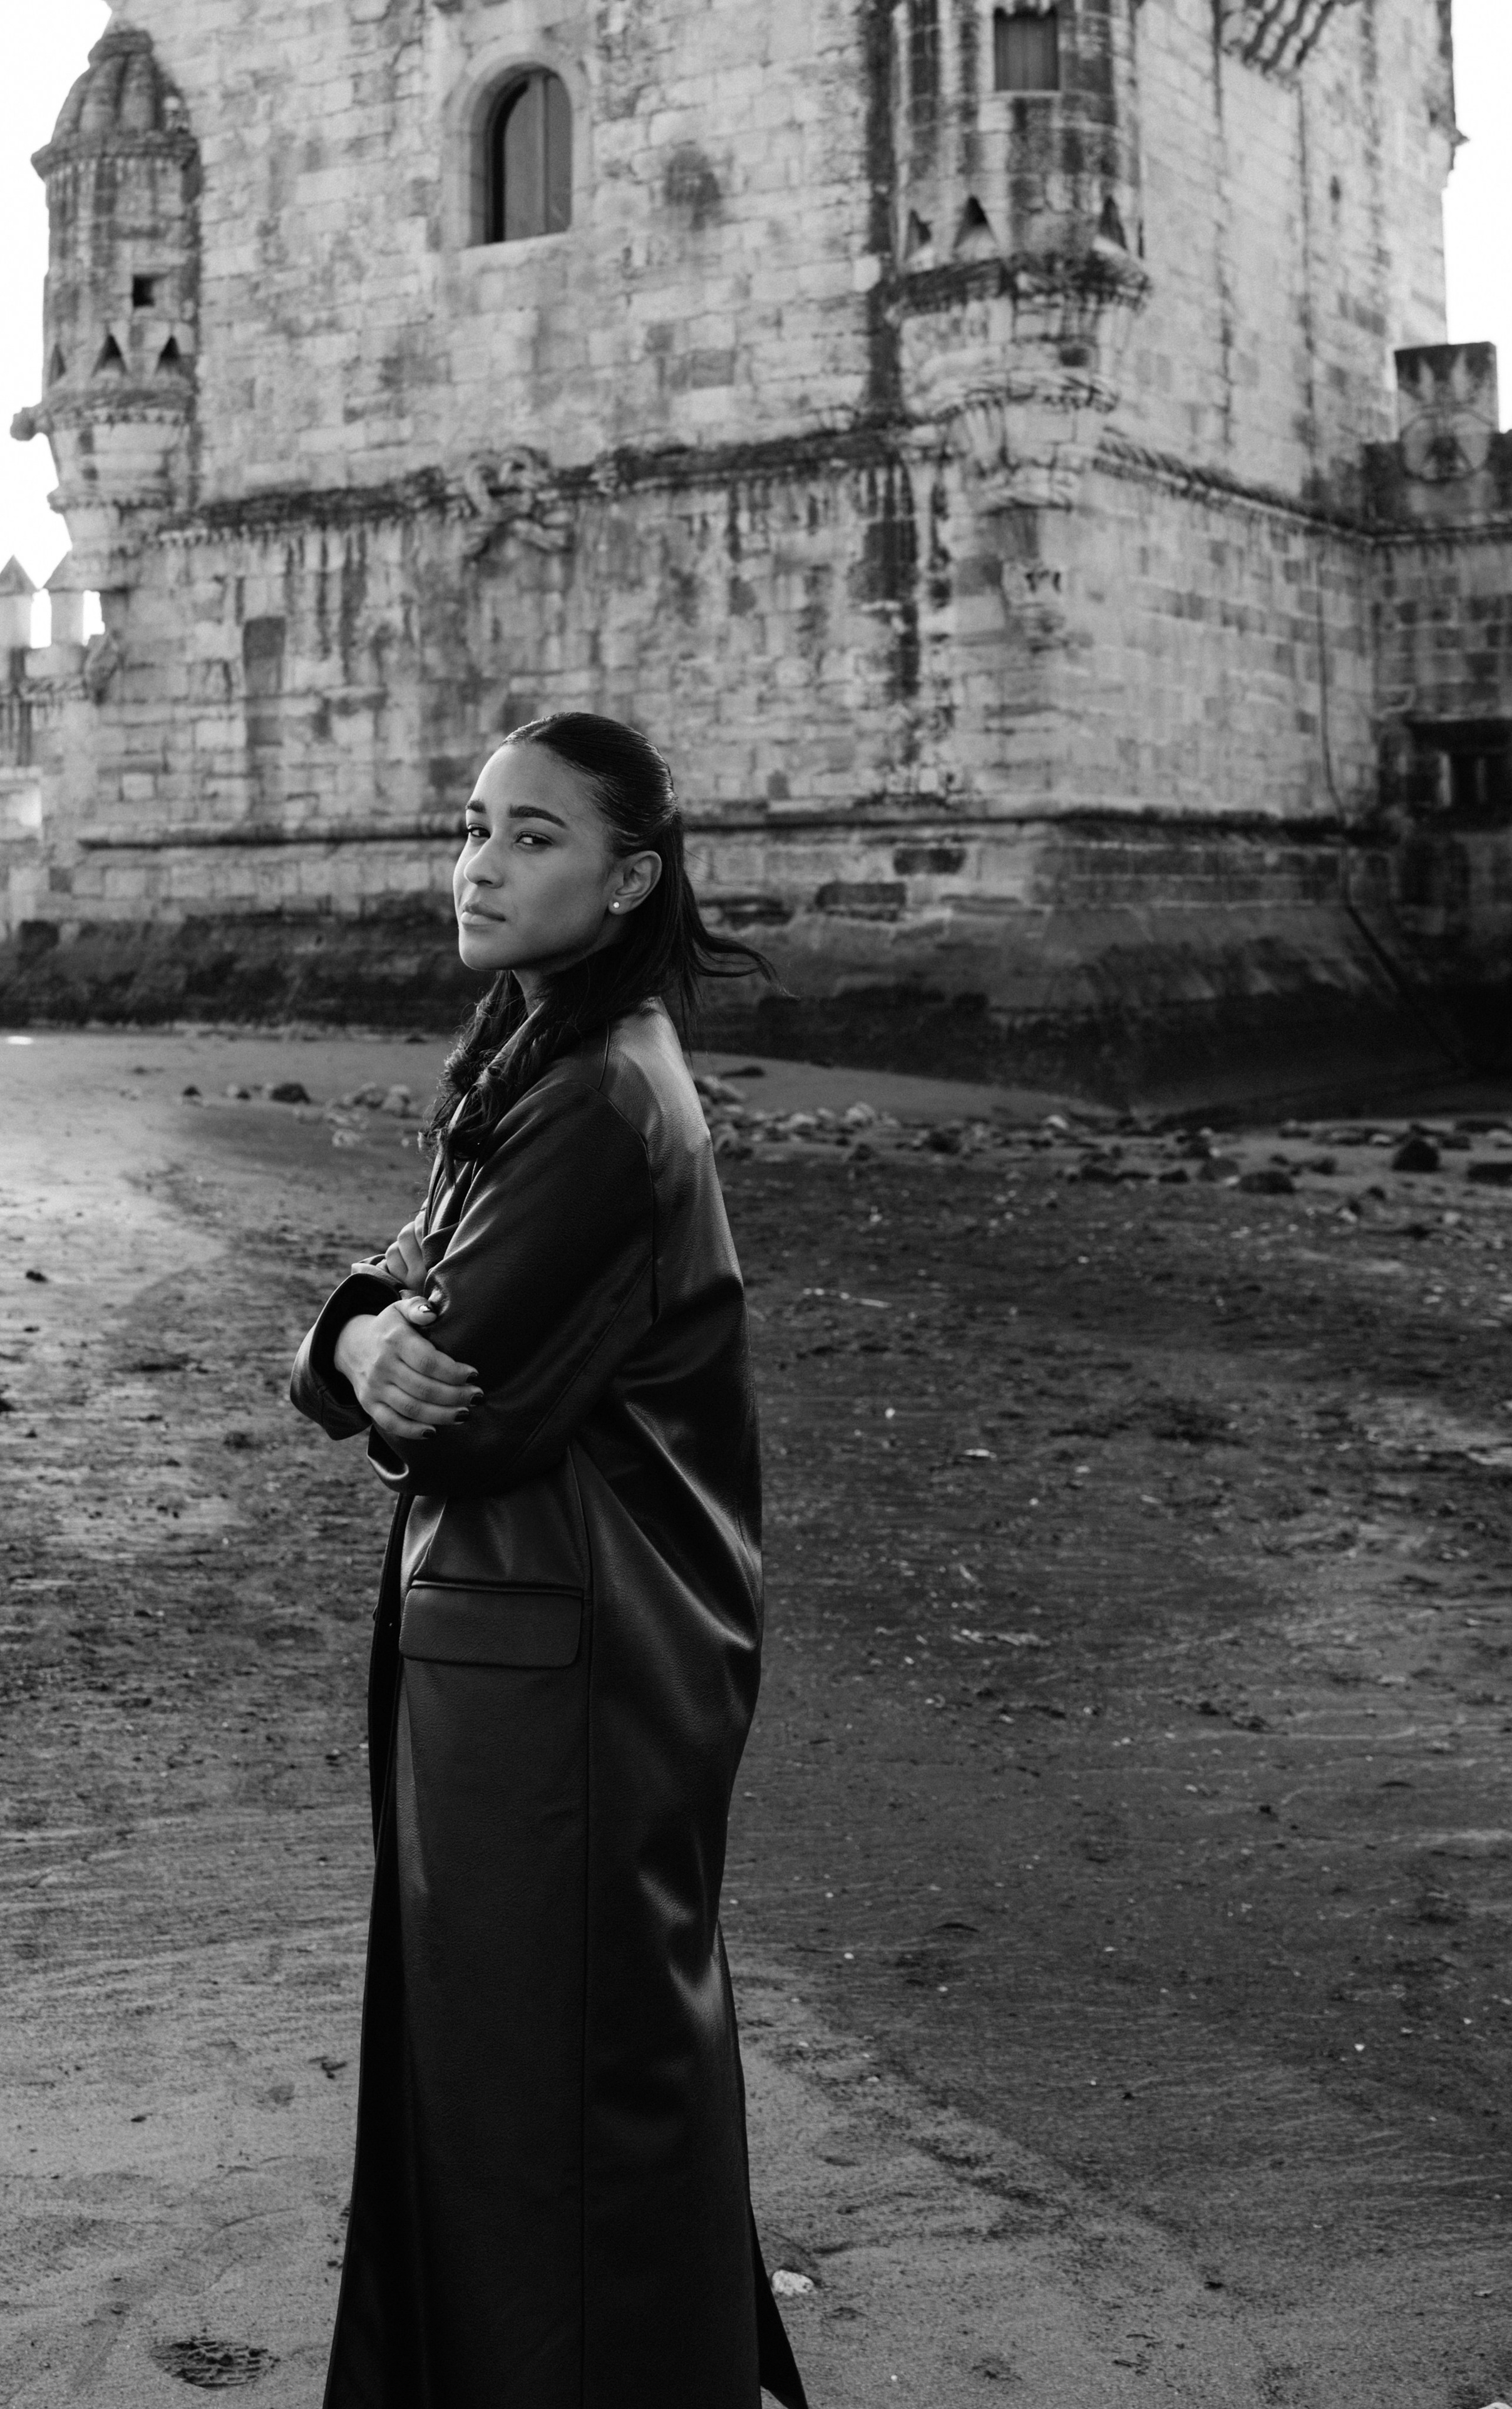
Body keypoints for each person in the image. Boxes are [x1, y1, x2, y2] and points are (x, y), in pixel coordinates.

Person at [291, 712, 808, 2409]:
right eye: (470, 827)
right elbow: (407, 1296)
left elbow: (462, 1404)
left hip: (570, 1671)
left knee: (557, 2102)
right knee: (538, 2086)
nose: (478, 866)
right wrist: (362, 1341)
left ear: (629, 877)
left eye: (530, 838)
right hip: (553, 1659)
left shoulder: (595, 1098)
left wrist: (368, 1357)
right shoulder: (541, 1057)